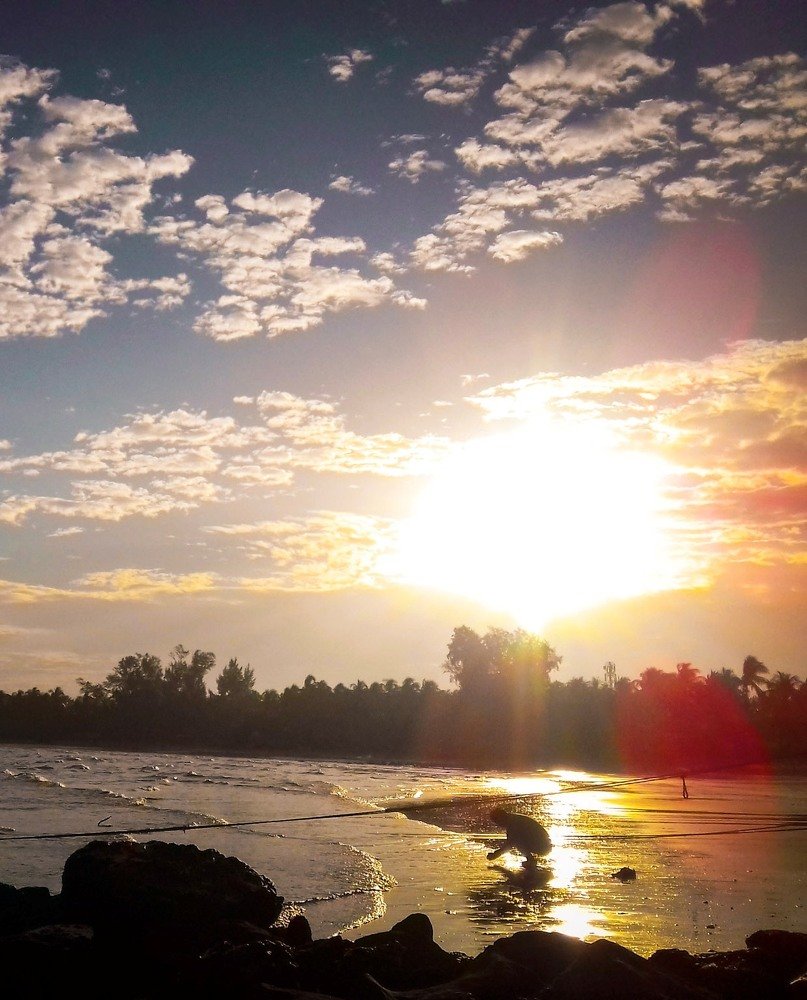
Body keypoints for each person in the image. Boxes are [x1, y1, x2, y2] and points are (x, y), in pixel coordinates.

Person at [487, 806, 551, 865]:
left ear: (501, 818)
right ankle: (530, 859)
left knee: (516, 841)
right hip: (544, 843)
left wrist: (496, 854)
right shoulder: (514, 819)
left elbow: (510, 844)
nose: (498, 825)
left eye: (497, 822)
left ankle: (530, 860)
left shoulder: (513, 824)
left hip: (543, 846)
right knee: (516, 840)